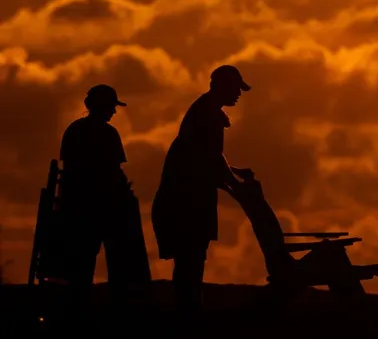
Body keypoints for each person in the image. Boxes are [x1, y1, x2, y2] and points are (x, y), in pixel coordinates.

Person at [151, 65, 253, 315]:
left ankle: (187, 309)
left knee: (191, 257)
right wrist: (235, 184)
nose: (238, 94)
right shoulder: (208, 114)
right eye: (234, 89)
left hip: (189, 197)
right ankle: (188, 312)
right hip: (187, 200)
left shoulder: (206, 110)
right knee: (191, 258)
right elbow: (211, 157)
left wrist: (233, 175)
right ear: (221, 87)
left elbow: (212, 157)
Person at [58, 84, 132, 315]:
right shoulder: (109, 135)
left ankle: (78, 305)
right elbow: (115, 175)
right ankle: (113, 307)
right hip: (99, 209)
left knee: (80, 261)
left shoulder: (73, 130)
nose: (114, 111)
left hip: (73, 208)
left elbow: (68, 170)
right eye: (112, 106)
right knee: (117, 254)